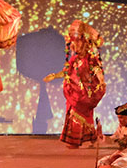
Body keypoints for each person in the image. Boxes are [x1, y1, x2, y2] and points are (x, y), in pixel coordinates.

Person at [45, 20, 106, 148]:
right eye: (73, 42)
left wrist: (101, 81)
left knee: (84, 115)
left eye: (77, 42)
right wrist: (55, 76)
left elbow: (97, 69)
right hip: (74, 91)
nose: (74, 45)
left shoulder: (90, 57)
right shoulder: (74, 59)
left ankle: (89, 138)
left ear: (83, 43)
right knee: (72, 113)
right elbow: (66, 72)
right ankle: (74, 141)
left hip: (85, 93)